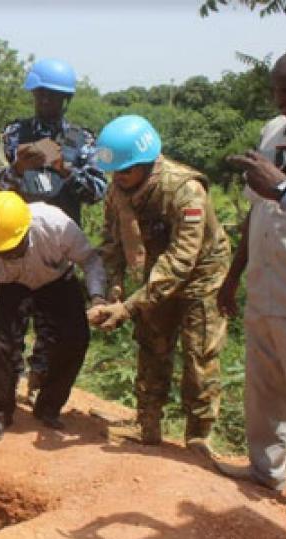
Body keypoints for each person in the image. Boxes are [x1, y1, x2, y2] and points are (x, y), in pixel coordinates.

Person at [88, 115, 231, 457]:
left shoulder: (185, 190)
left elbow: (182, 260)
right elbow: (111, 243)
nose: (118, 178)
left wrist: (130, 305)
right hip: (155, 273)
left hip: (201, 276)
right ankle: (147, 424)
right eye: (114, 172)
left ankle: (198, 437)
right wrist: (115, 291)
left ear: (146, 162)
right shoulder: (118, 190)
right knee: (151, 345)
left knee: (199, 354)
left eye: (124, 171)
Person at [215, 44, 286, 521]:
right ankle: (264, 469)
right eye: (276, 89)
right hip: (267, 281)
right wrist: (233, 276)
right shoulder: (273, 132)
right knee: (263, 384)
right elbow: (257, 207)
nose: (280, 99)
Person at [0, 58, 107, 405]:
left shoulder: (83, 139)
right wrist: (16, 168)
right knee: (7, 333)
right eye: (41, 95)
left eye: (54, 97)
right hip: (17, 245)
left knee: (64, 334)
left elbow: (98, 191)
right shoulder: (13, 134)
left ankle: (45, 399)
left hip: (62, 246)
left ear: (65, 100)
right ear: (34, 95)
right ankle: (3, 403)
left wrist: (64, 168)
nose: (46, 103)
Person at [0, 191, 106, 443]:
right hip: (11, 286)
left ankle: (49, 405)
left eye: (15, 248)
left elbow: (90, 260)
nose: (9, 256)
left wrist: (98, 296)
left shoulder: (56, 224)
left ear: (27, 229)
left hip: (56, 279)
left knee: (74, 338)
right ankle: (0, 413)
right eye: (2, 252)